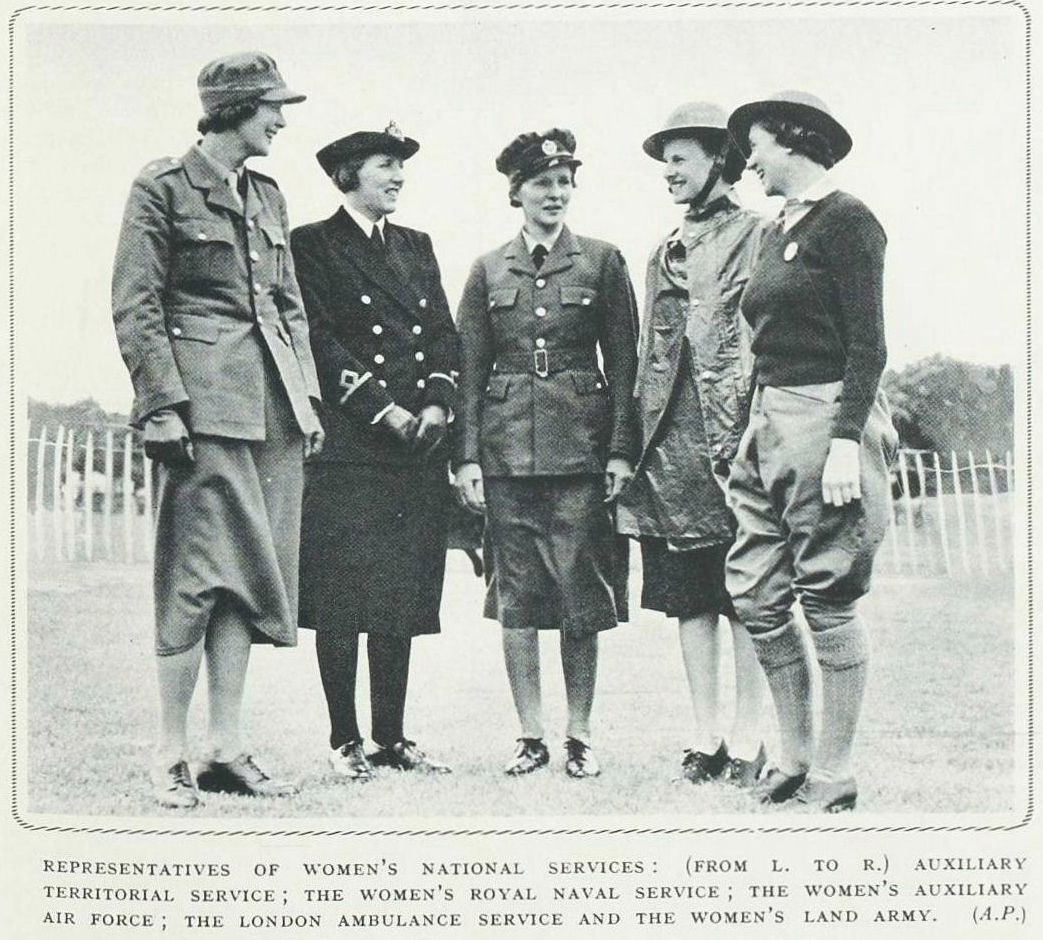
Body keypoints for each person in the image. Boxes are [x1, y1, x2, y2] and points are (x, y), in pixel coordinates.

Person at [111, 52, 324, 809]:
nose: (281, 120)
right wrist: (161, 405)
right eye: (272, 107)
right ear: (235, 109)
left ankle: (226, 750)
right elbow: (136, 305)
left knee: (251, 580)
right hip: (201, 413)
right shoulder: (162, 187)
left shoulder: (267, 195)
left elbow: (288, 308)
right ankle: (169, 753)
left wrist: (306, 401)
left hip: (270, 415)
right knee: (193, 579)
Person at [724, 91, 899, 811]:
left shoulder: (848, 221)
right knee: (757, 592)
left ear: (794, 143)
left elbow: (868, 344)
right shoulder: (775, 230)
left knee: (825, 594)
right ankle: (791, 758)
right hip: (767, 420)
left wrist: (843, 443)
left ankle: (833, 768)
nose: (750, 161)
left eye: (757, 146)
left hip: (826, 415)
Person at [454, 129, 639, 778]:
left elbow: (624, 364)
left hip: (581, 456)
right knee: (516, 598)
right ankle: (529, 734)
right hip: (506, 457)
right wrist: (467, 458)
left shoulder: (602, 262)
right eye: (541, 184)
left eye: (563, 183)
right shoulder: (487, 269)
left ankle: (579, 734)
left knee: (581, 596)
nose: (554, 194)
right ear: (516, 193)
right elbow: (469, 370)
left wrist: (620, 452)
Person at [291, 123, 457, 780]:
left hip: (415, 447)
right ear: (348, 174)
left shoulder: (417, 246)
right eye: (386, 167)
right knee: (340, 597)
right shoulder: (314, 245)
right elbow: (320, 341)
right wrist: (383, 409)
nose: (397, 179)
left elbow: (443, 334)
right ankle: (344, 739)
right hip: (352, 445)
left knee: (399, 594)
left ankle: (391, 737)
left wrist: (438, 404)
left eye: (400, 169)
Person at [616, 102, 768, 787]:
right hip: (668, 452)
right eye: (665, 160)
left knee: (745, 594)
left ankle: (748, 738)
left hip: (735, 442)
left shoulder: (755, 236)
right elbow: (649, 353)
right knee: (689, 595)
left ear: (719, 160)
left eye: (679, 158)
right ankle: (703, 737)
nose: (668, 172)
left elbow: (761, 340)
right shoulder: (660, 251)